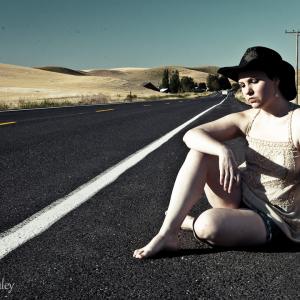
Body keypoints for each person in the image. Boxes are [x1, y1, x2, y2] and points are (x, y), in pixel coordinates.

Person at [133, 46, 300, 259]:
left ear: (275, 80)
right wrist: (221, 149)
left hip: (278, 218)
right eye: (242, 84)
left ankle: (190, 223)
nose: (247, 91)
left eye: (254, 81)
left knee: (205, 226)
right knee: (200, 151)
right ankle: (167, 233)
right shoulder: (249, 118)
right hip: (240, 196)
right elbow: (191, 134)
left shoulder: (296, 122)